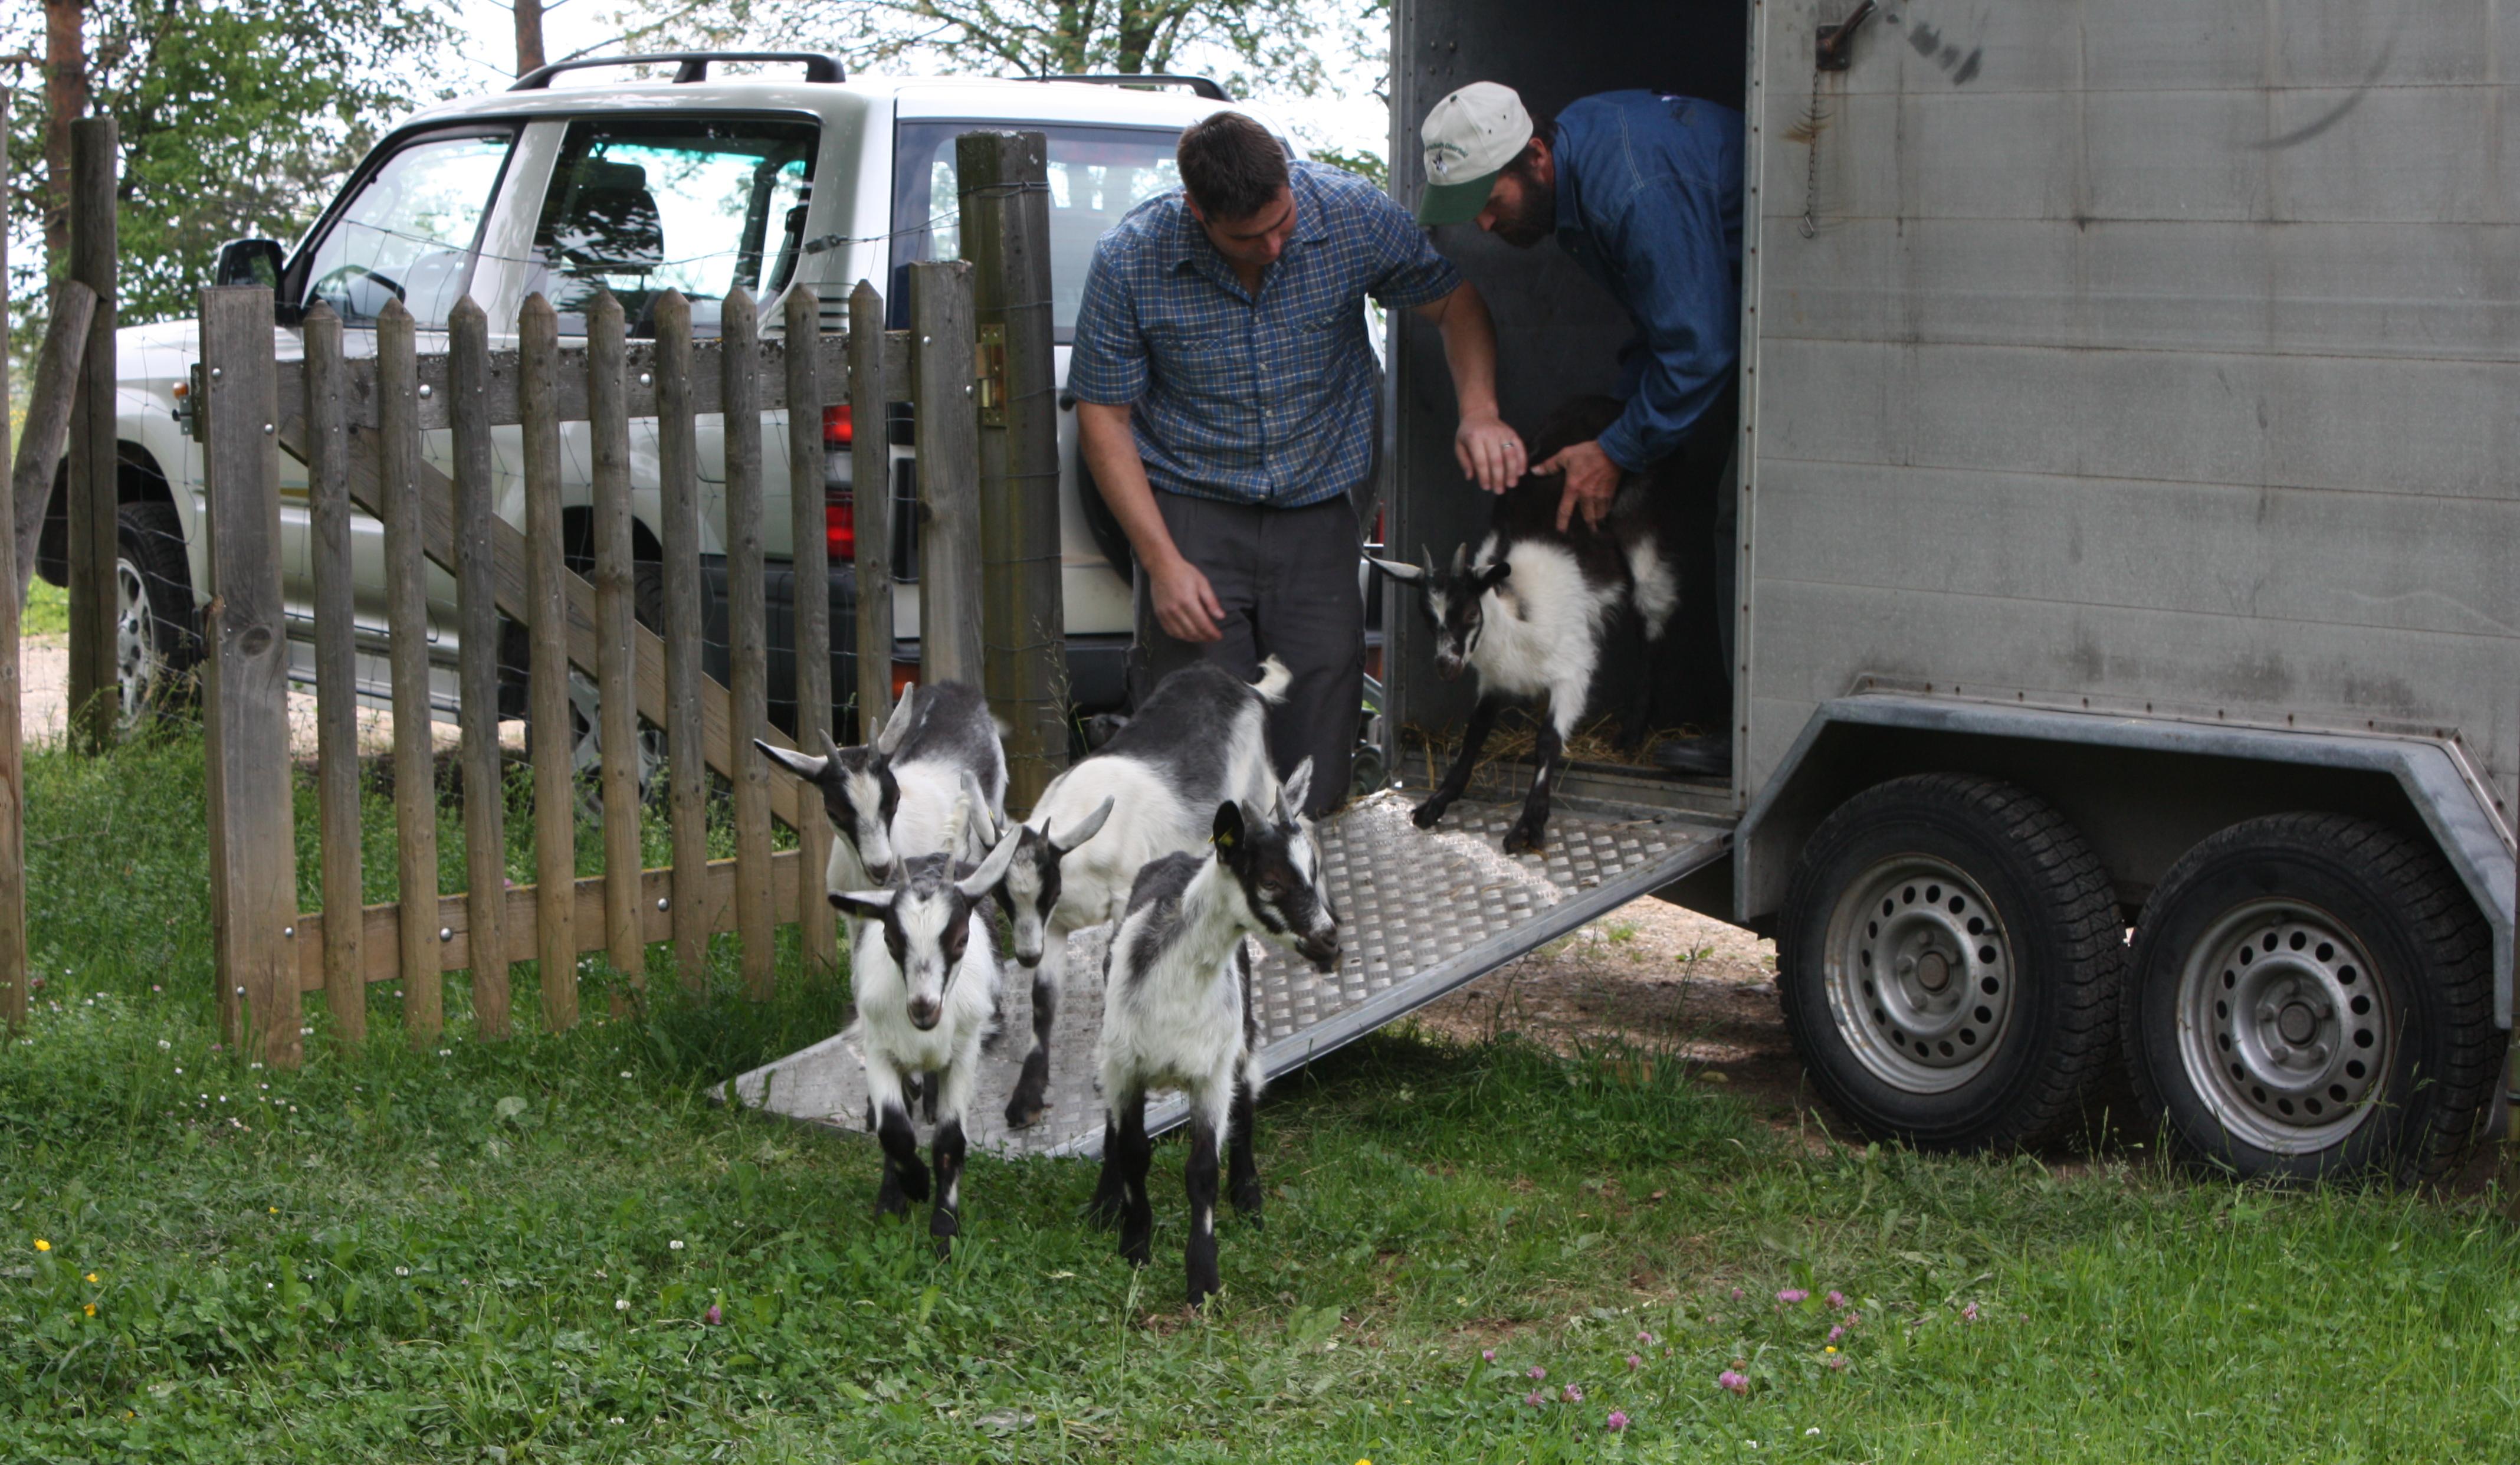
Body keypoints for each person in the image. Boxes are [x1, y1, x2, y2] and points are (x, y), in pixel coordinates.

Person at [1069, 110, 1524, 814]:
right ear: (1198, 212)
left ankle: (1306, 886)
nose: (1275, 245)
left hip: (1317, 505)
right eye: (1249, 238)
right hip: (1192, 508)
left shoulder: (1349, 213)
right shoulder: (1131, 257)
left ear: (1289, 177)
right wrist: (1161, 563)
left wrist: (1481, 410)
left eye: (1282, 222)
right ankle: (1207, 898)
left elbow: (1454, 303)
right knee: (1203, 730)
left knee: (1322, 705)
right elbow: (1105, 418)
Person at [1415, 81, 1744, 776]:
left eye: (1489, 202)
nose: (1481, 226)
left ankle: (1750, 734)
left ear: (1534, 155)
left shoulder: (1631, 190)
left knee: (1740, 512)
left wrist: (1619, 448)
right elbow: (1666, 320)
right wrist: (1615, 427)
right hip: (1721, 317)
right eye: (1465, 210)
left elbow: (1700, 346)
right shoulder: (1576, 151)